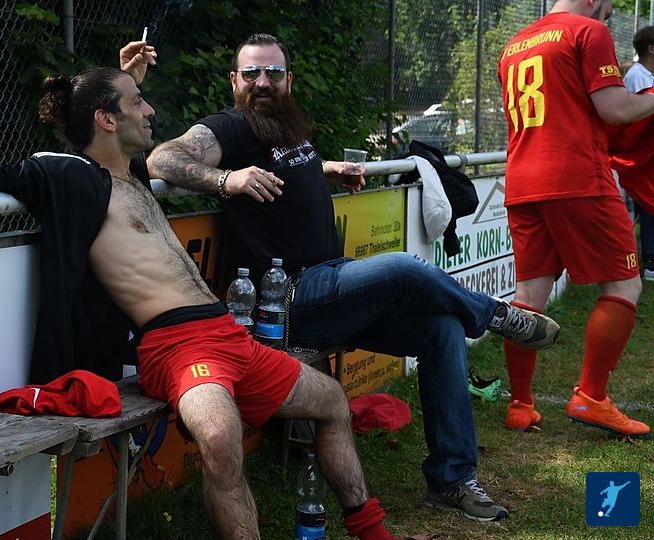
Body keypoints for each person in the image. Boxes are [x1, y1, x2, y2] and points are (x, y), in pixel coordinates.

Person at [0, 42, 397, 540]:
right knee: (219, 438)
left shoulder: (132, 175)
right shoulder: (70, 174)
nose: (151, 109)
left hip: (227, 333)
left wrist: (126, 79)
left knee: (331, 401)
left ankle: (371, 531)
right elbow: (4, 172)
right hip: (176, 347)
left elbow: (131, 136)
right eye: (138, 102)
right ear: (106, 120)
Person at [147, 33, 562, 523]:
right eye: (252, 73)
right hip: (290, 300)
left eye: (273, 73)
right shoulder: (231, 125)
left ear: (288, 80)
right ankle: (495, 315)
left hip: (333, 288)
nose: (263, 82)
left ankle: (452, 480)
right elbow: (162, 159)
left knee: (442, 329)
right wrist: (225, 179)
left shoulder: (284, 125)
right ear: (234, 80)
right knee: (404, 267)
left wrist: (324, 169)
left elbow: (287, 172)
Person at [496, 0, 654, 437]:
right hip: (577, 176)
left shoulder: (514, 44)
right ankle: (592, 397)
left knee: (529, 296)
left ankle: (520, 404)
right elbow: (615, 110)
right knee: (624, 284)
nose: (607, 15)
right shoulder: (588, 31)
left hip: (522, 180)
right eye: (607, 7)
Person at [621, 26, 654, 281]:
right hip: (638, 158)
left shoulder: (647, 75)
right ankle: (650, 262)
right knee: (647, 208)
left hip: (646, 154)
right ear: (651, 49)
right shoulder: (637, 77)